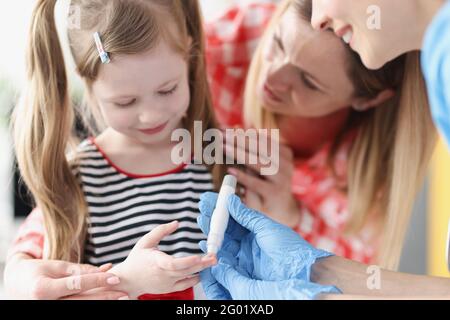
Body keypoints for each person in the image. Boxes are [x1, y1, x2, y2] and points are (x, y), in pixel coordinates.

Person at [198, 0, 450, 299]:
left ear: (367, 100)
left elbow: (366, 269)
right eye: (277, 43)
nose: (273, 78)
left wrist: (291, 219)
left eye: (308, 82)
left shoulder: (364, 176)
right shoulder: (240, 35)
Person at [4, 0, 219, 300]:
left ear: (189, 53)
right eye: (125, 102)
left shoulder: (217, 156)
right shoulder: (81, 175)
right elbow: (24, 269)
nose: (151, 115)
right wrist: (128, 280)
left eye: (167, 89)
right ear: (87, 82)